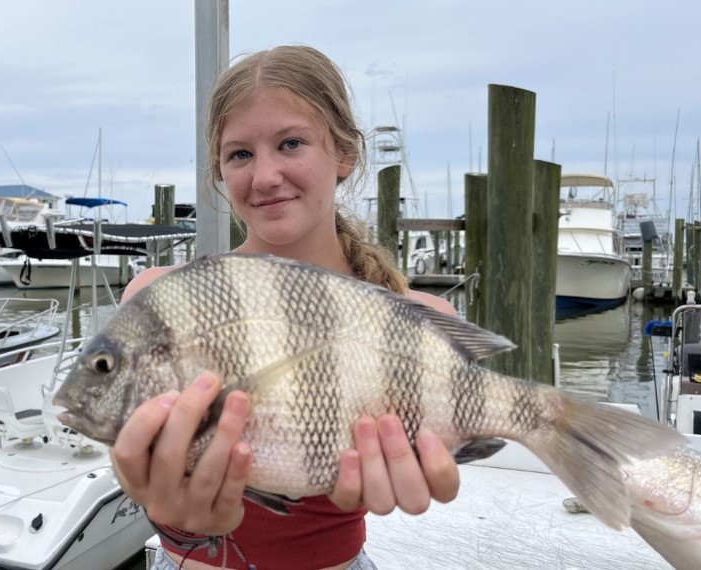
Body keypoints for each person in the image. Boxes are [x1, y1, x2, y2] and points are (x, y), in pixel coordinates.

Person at [113, 45, 461, 570]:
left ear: (345, 154)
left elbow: (432, 458)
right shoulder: (156, 298)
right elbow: (133, 455)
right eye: (240, 154)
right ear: (219, 171)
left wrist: (434, 462)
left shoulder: (415, 322)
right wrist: (157, 494)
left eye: (290, 143)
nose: (265, 176)